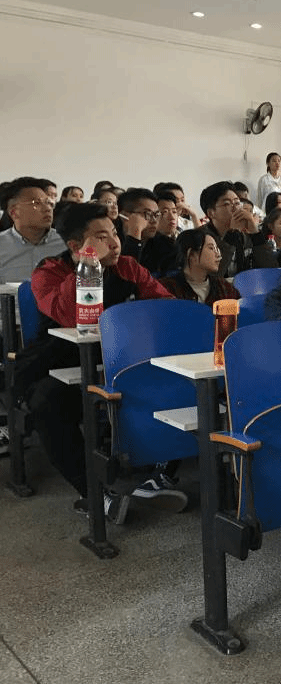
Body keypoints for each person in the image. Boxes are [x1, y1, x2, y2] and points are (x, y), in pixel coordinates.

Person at [18, 203, 179, 523]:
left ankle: (155, 475)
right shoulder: (49, 271)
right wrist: (87, 265)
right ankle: (94, 494)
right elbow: (69, 315)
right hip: (60, 362)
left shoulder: (128, 267)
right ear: (75, 245)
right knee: (47, 402)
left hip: (119, 360)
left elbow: (166, 307)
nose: (115, 243)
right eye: (102, 237)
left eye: (115, 234)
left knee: (170, 385)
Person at [0, 177, 66, 282]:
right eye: (36, 203)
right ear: (14, 212)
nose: (48, 209)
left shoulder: (66, 243)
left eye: (48, 203)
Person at [159, 229, 241, 307]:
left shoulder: (224, 288)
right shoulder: (167, 289)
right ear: (191, 254)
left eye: (217, 249)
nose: (218, 255)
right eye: (211, 248)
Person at [199, 181, 259, 277]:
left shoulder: (243, 234)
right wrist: (231, 235)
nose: (235, 208)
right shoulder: (200, 238)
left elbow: (270, 269)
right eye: (227, 204)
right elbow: (213, 277)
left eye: (237, 203)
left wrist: (255, 233)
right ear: (211, 213)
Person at [116, 188, 176, 276]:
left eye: (157, 214)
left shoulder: (167, 245)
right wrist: (134, 236)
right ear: (125, 216)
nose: (154, 220)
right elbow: (125, 276)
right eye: (147, 214)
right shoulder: (111, 242)